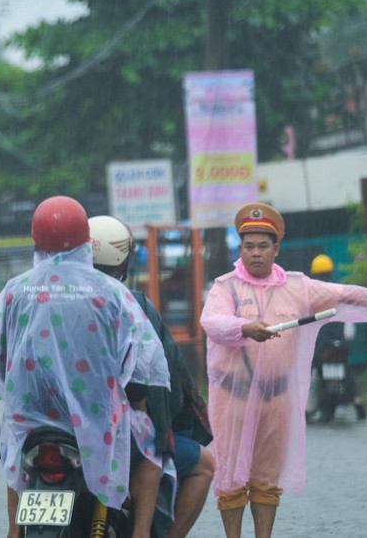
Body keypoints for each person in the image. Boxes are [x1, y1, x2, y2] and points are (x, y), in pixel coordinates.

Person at [200, 202, 367, 538]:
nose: (256, 254)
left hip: (276, 399)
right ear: (240, 249)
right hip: (235, 398)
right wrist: (244, 327)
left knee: (266, 480)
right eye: (249, 247)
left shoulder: (297, 286)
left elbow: (344, 295)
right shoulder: (226, 287)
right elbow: (213, 323)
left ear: (276, 250)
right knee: (231, 480)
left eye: (263, 246)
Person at [0, 196, 170, 538]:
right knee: (152, 450)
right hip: (97, 425)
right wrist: (140, 406)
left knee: (12, 436)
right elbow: (141, 367)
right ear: (85, 240)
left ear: (36, 241)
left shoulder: (14, 291)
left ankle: (14, 530)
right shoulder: (112, 293)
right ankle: (141, 532)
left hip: (32, 425)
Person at [89, 215, 216, 538]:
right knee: (185, 457)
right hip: (113, 434)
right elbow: (164, 380)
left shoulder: (42, 299)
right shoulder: (134, 305)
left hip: (47, 426)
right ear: (123, 260)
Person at [308, 254, 366, 421]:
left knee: (310, 369)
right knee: (347, 370)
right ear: (330, 272)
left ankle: (306, 403)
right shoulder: (338, 291)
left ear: (314, 274)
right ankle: (356, 399)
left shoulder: (312, 294)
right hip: (339, 344)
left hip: (320, 346)